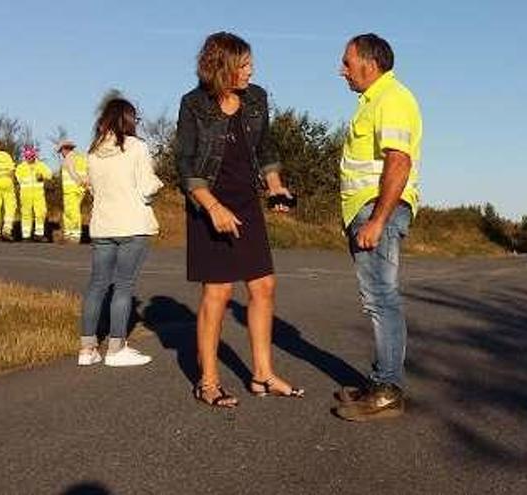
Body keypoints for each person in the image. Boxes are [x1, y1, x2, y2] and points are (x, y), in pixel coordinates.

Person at [175, 31, 303, 407]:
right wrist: (212, 207)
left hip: (246, 201)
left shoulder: (257, 99)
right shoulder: (194, 104)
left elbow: (265, 148)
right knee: (219, 292)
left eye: (250, 63)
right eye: (244, 65)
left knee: (264, 286)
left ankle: (262, 375)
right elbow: (184, 164)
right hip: (208, 203)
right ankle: (209, 382)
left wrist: (276, 186)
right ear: (223, 67)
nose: (251, 71)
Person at [331, 33, 423, 421]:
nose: (342, 70)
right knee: (378, 298)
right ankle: (379, 382)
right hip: (368, 210)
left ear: (369, 63)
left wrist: (378, 219)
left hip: (376, 210)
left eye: (347, 62)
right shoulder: (374, 100)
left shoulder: (392, 98)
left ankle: (387, 390)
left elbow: (398, 160)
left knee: (381, 299)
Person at [77, 96, 163, 367]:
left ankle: (87, 348)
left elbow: (93, 188)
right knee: (123, 286)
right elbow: (147, 187)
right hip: (132, 224)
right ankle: (116, 348)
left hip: (102, 225)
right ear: (128, 119)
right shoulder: (137, 147)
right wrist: (157, 185)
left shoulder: (93, 151)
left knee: (97, 285)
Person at [15, 145, 53, 242]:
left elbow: (49, 174)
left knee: (40, 213)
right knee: (26, 214)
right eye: (27, 157)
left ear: (34, 156)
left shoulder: (40, 165)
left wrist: (43, 176)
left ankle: (39, 234)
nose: (29, 159)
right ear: (25, 157)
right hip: (25, 195)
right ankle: (26, 236)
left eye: (31, 157)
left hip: (38, 194)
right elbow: (19, 178)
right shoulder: (21, 167)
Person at [58, 139, 89, 243]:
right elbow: (88, 171)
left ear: (64, 149)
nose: (61, 153)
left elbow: (72, 172)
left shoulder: (69, 158)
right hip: (79, 189)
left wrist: (79, 181)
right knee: (69, 212)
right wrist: (86, 185)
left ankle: (74, 235)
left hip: (71, 189)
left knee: (72, 212)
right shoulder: (81, 157)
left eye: (61, 151)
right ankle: (68, 234)